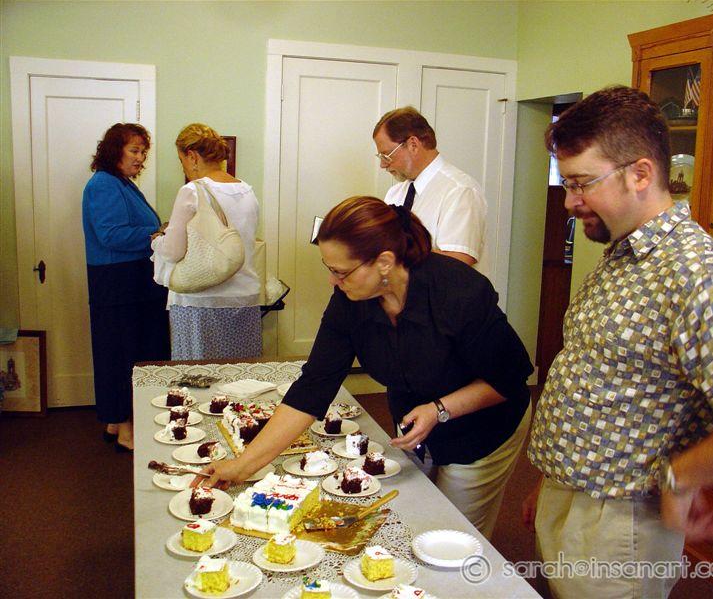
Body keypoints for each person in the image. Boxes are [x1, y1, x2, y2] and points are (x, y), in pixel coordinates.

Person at [523, 86, 713, 598]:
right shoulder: (625, 253)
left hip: (619, 525)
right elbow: (598, 375)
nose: (569, 202)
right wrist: (551, 479)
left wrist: (681, 476)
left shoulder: (697, 274)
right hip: (575, 498)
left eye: (581, 183)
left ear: (641, 174)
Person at [202, 196, 532, 538]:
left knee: (455, 535)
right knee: (415, 519)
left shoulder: (458, 291)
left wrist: (439, 409)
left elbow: (510, 378)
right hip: (415, 423)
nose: (332, 281)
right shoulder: (350, 300)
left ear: (384, 262)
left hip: (483, 428)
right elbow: (313, 387)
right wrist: (243, 466)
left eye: (340, 272)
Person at [82, 123, 170, 452]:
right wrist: (156, 235)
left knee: (123, 353)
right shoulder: (104, 184)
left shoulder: (120, 183)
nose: (140, 158)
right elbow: (111, 235)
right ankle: (125, 431)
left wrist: (156, 231)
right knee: (122, 356)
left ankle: (115, 422)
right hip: (119, 285)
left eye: (143, 151)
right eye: (134, 150)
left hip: (128, 284)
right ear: (114, 151)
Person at [151, 123, 261, 360]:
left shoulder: (192, 191)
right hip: (244, 298)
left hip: (200, 302)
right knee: (239, 372)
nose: (183, 166)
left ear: (192, 156)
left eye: (181, 160)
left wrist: (157, 241)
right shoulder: (247, 191)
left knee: (197, 374)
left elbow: (173, 252)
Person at [373, 107, 486, 266]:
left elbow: (458, 263)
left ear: (413, 144)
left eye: (386, 155)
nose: (383, 165)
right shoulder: (395, 193)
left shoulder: (460, 191)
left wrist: (397, 250)